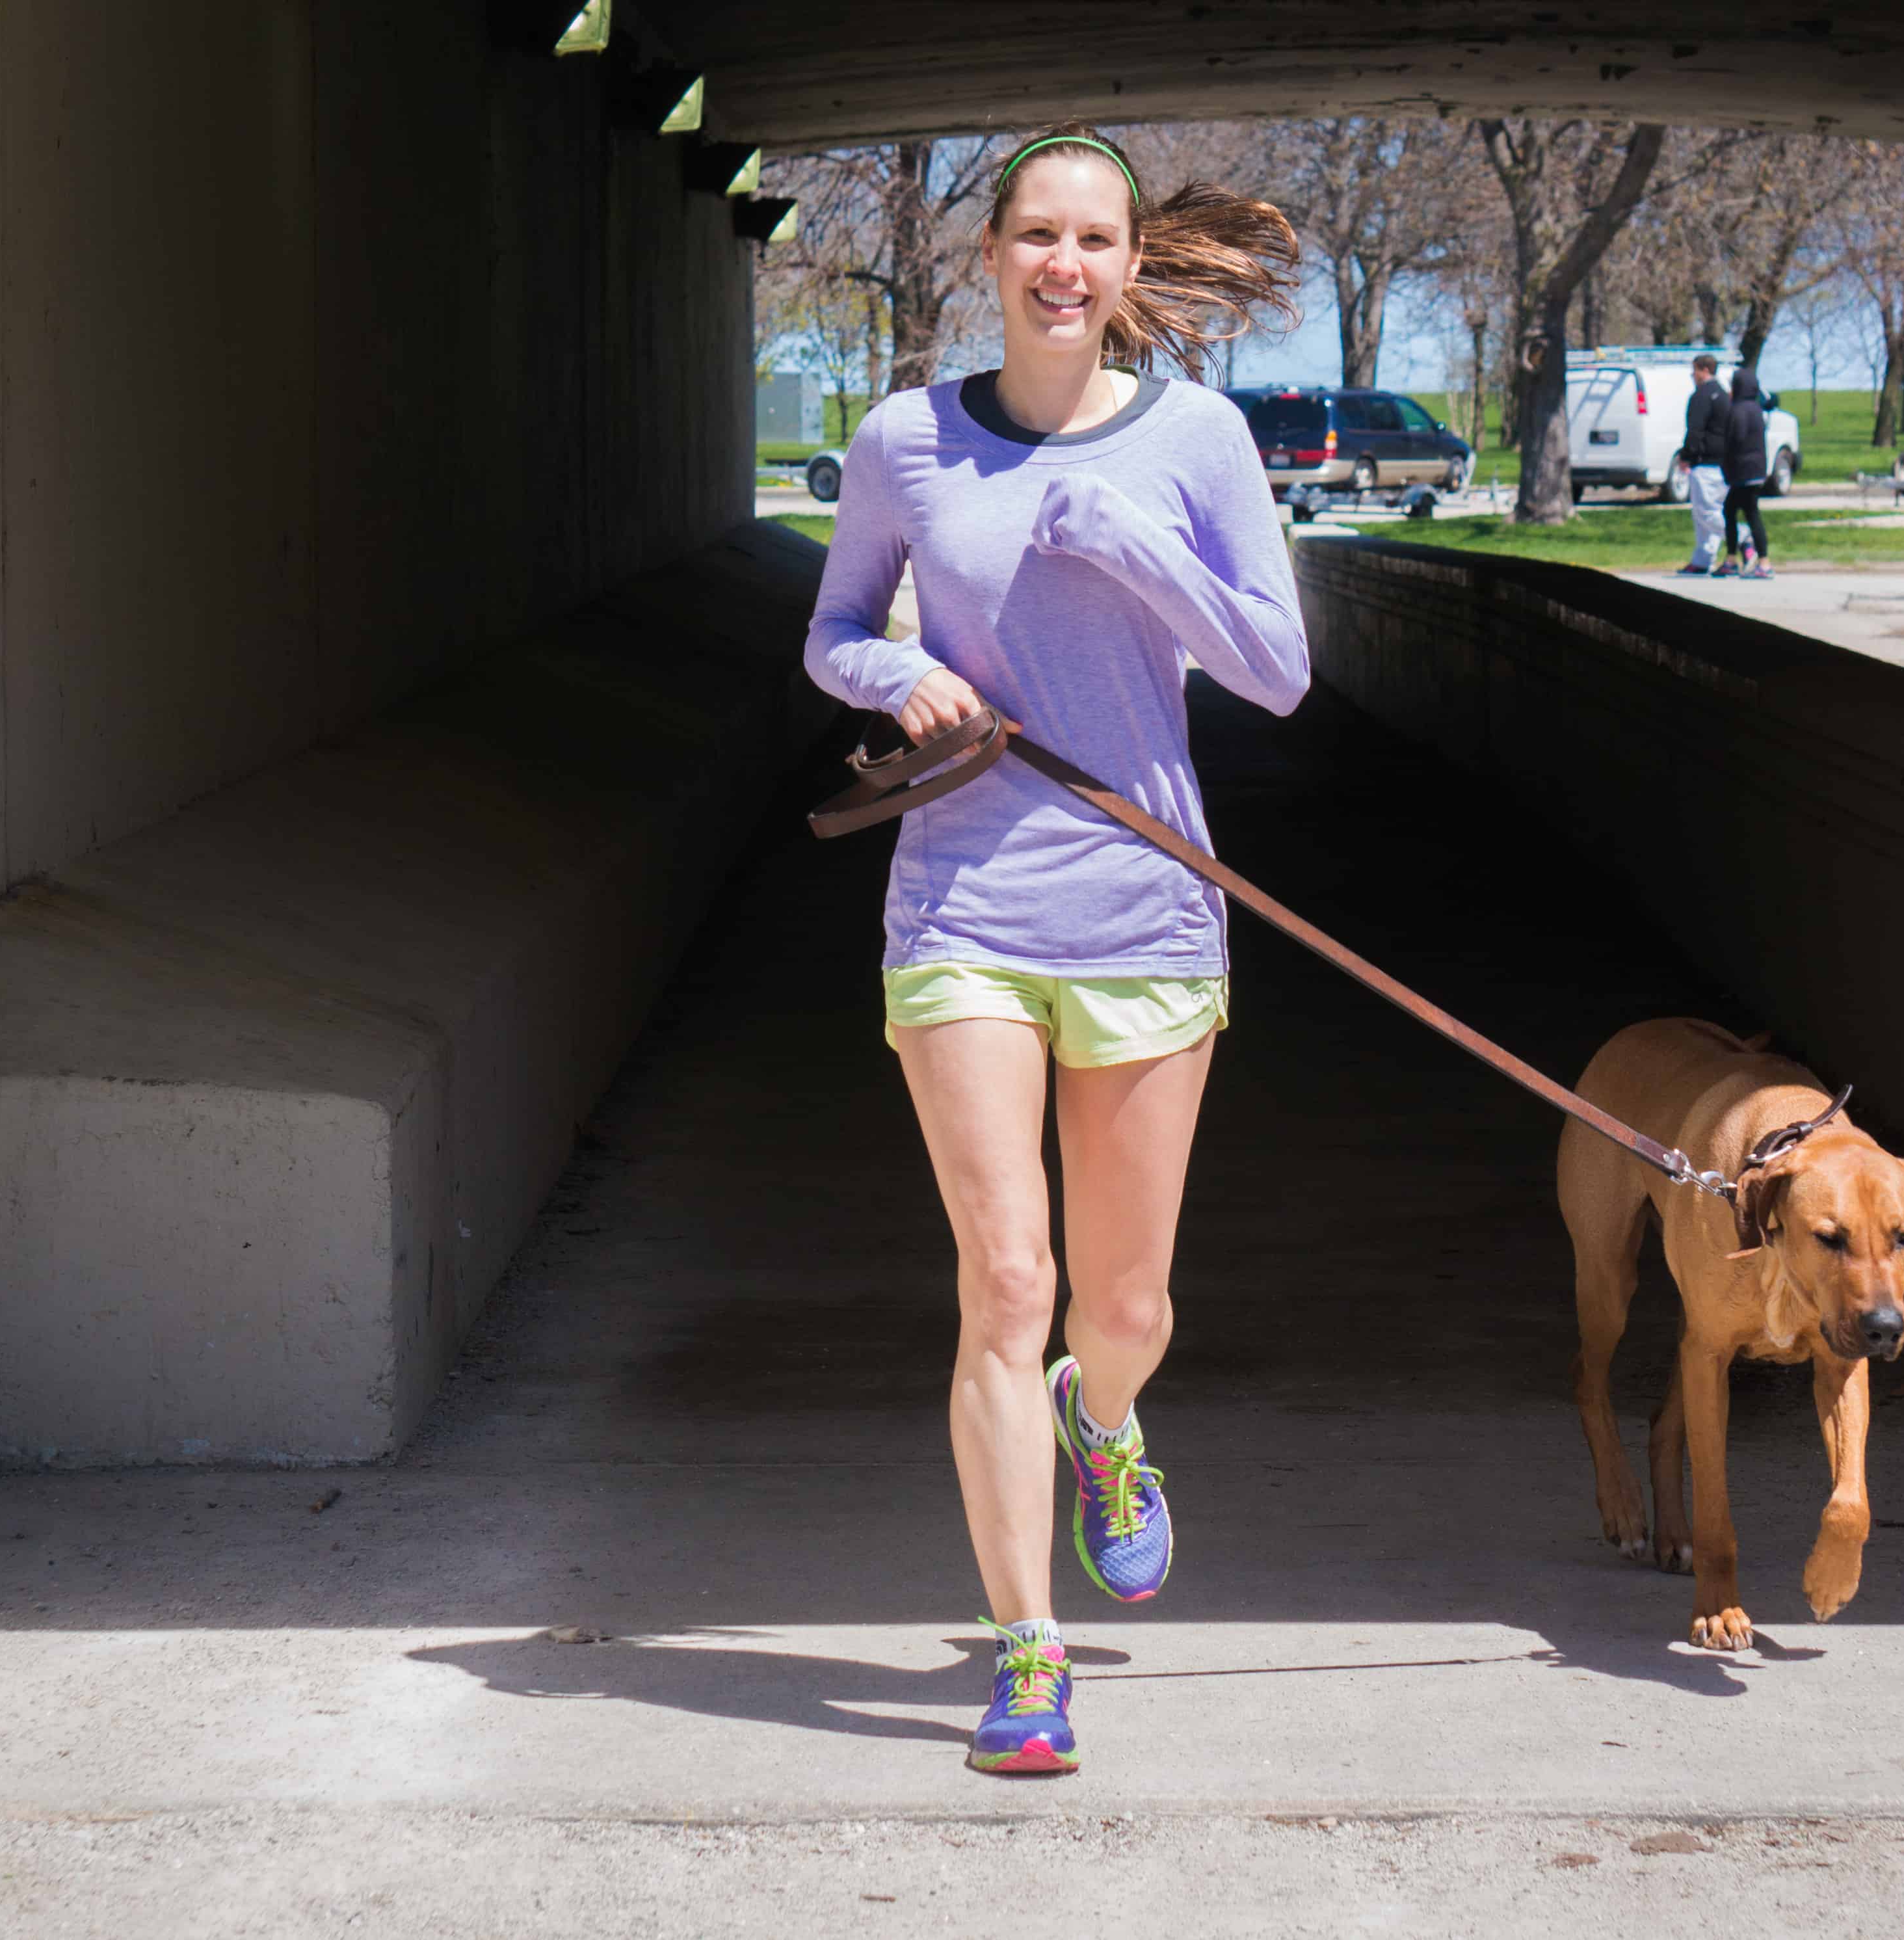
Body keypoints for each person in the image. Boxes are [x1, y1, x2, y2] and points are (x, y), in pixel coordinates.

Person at [801, 124, 1306, 1777]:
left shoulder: (1203, 440)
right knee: (1006, 1281)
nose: (1064, 264)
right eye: (1037, 233)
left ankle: (1112, 1427)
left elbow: (1278, 676)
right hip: (960, 907)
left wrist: (1134, 543)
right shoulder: (903, 439)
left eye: (1096, 238)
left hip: (1148, 908)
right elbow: (831, 630)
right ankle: (1027, 1654)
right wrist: (897, 681)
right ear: (992, 253)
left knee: (1127, 1301)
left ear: (1131, 264)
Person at [1716, 366, 1775, 579]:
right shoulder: (1756, 409)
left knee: (1747, 513)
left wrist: (1726, 464)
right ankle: (1733, 558)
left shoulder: (1738, 409)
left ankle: (1762, 563)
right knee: (1731, 510)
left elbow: (1736, 440)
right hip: (1757, 469)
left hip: (1742, 471)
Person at [1676, 353, 1727, 574]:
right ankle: (1703, 559)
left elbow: (1695, 430)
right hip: (1724, 463)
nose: (1692, 375)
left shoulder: (1701, 397)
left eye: (1694, 370)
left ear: (1705, 370)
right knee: (1708, 512)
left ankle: (1745, 538)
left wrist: (1687, 455)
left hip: (1704, 462)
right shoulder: (1724, 395)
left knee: (1705, 513)